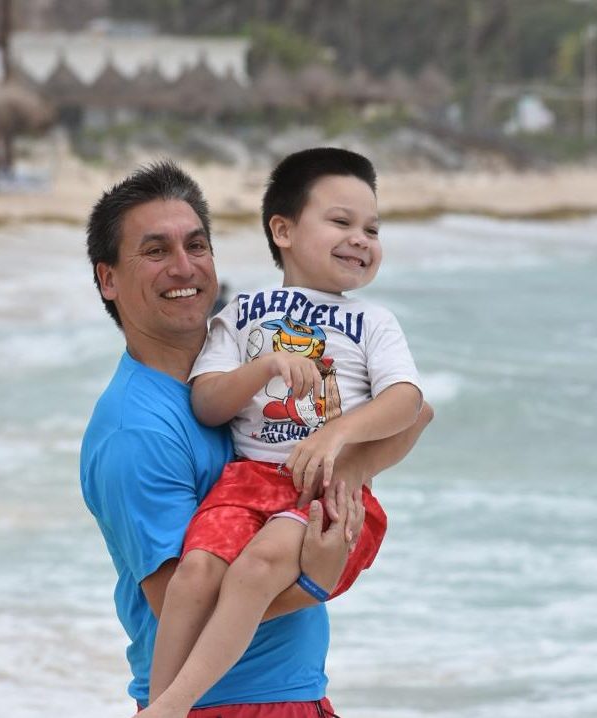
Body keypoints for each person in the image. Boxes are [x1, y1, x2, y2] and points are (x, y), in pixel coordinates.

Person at [80, 159, 433, 717]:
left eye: (197, 246)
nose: (184, 267)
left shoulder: (235, 359)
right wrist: (315, 582)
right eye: (155, 251)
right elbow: (179, 602)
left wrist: (342, 463)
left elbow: (416, 413)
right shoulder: (136, 430)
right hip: (228, 704)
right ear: (108, 279)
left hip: (289, 695)